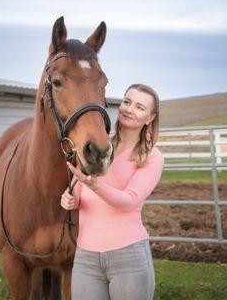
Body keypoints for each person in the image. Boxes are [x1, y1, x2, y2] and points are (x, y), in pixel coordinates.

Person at [61, 83, 164, 300]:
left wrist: (95, 185)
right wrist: (71, 199)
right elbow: (80, 191)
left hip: (128, 255)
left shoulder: (152, 157)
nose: (129, 109)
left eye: (139, 107)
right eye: (127, 102)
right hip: (86, 256)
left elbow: (129, 201)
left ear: (150, 117)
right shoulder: (97, 147)